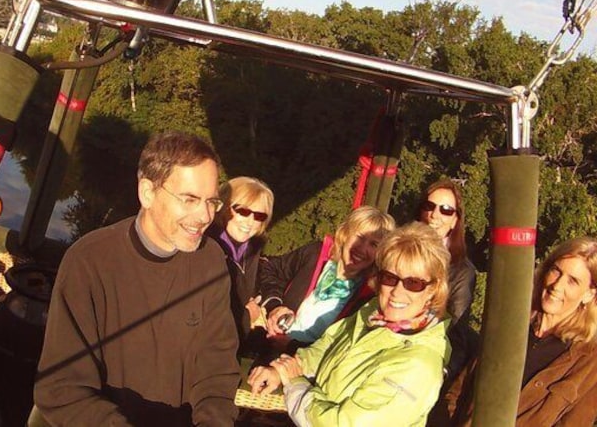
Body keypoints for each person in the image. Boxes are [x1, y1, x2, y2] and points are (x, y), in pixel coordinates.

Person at [33, 131, 240, 426]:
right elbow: (61, 387)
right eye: (190, 199)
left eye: (211, 202)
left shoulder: (210, 262)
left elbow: (216, 369)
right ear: (147, 192)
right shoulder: (89, 261)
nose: (204, 215)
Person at [248, 222, 451, 426]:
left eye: (413, 283)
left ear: (433, 289)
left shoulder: (418, 365)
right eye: (389, 278)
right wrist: (282, 369)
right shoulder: (372, 314)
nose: (397, 292)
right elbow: (327, 347)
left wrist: (295, 384)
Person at [438, 237, 597, 426]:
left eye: (573, 281)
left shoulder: (588, 363)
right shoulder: (509, 326)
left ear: (589, 294)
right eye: (556, 271)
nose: (557, 286)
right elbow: (459, 390)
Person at [259, 206, 395, 348]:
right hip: (268, 350)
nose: (362, 248)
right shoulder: (315, 254)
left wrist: (291, 346)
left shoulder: (370, 295)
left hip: (305, 365)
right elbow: (270, 269)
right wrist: (274, 305)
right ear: (345, 234)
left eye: (373, 244)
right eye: (360, 237)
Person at [416, 178, 477, 378]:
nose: (434, 215)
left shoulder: (461, 271)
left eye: (446, 210)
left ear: (455, 220)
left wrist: (440, 373)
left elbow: (456, 331)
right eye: (429, 206)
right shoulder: (400, 248)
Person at [206, 176, 274, 350]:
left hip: (235, 346)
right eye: (243, 211)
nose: (249, 221)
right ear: (224, 208)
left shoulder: (252, 250)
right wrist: (247, 316)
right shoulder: (205, 249)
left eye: (259, 216)